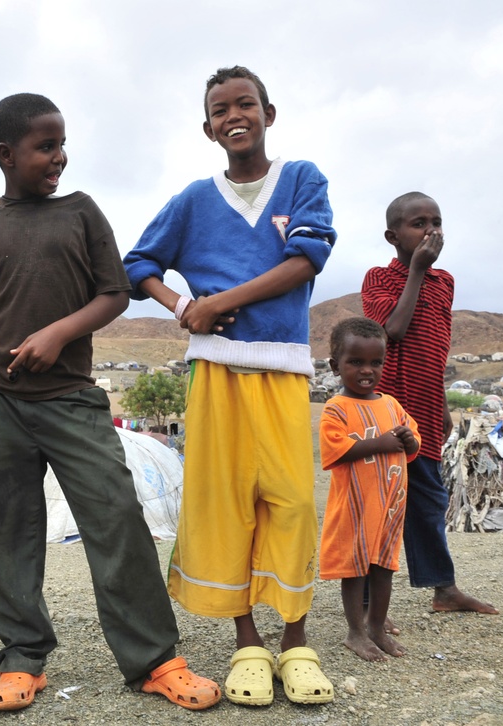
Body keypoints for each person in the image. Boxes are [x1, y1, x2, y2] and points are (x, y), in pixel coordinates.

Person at [0, 92, 220, 713]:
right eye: (45, 146)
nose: (59, 156)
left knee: (114, 513)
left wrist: (58, 333)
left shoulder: (81, 212)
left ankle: (155, 659)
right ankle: (22, 657)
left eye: (61, 143)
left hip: (68, 396)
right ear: (6, 154)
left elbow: (115, 294)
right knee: (7, 530)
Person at [123, 66, 336, 707]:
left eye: (246, 103)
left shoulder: (300, 179)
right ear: (208, 126)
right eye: (221, 109)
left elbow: (307, 259)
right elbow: (138, 264)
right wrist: (184, 305)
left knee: (292, 501)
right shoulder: (193, 198)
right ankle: (249, 642)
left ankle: (295, 641)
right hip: (214, 370)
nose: (234, 115)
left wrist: (221, 301)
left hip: (282, 369)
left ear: (270, 112)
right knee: (228, 503)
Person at [361, 192, 498, 623]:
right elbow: (392, 332)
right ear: (393, 235)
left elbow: (435, 350)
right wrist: (416, 270)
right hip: (386, 413)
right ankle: (365, 603)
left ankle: (444, 588)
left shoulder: (447, 282)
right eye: (419, 223)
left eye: (436, 222)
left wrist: (441, 404)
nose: (431, 231)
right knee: (381, 504)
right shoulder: (378, 279)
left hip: (423, 409)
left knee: (429, 502)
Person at [318, 317, 420, 662]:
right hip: (356, 507)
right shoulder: (336, 408)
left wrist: (408, 439)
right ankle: (356, 632)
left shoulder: (391, 405)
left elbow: (412, 440)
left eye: (376, 362)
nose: (367, 370)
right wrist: (381, 442)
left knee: (384, 567)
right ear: (336, 366)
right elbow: (337, 449)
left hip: (390, 506)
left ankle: (376, 627)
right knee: (356, 569)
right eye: (356, 362)